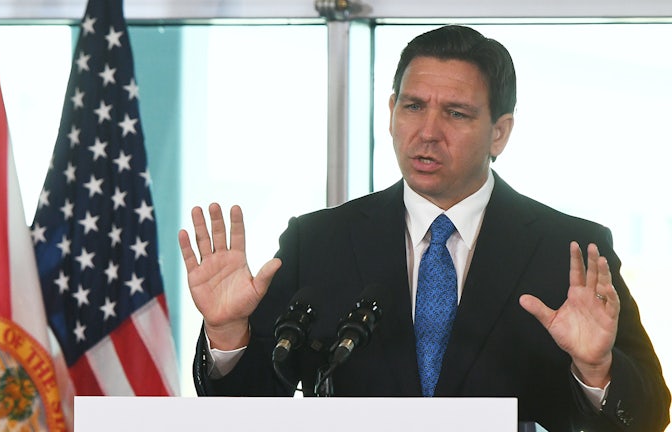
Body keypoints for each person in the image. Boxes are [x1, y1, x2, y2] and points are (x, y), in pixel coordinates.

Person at [178, 25, 670, 431]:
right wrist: (226, 335)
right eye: (413, 106)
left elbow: (649, 416)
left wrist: (596, 370)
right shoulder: (319, 241)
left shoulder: (569, 251)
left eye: (455, 113)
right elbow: (248, 406)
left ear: (500, 131)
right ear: (391, 112)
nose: (428, 131)